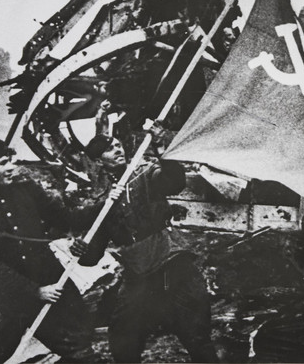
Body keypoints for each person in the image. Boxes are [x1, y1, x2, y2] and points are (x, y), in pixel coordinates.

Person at [0, 137, 103, 363]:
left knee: (80, 350)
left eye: (11, 161)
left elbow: (67, 218)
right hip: (6, 297)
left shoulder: (27, 190)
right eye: (2, 163)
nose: (11, 168)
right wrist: (34, 291)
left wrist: (105, 203)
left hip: (52, 284)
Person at [81, 134, 218, 363]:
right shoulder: (102, 200)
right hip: (138, 276)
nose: (117, 149)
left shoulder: (145, 173)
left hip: (172, 264)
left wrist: (162, 148)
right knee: (123, 335)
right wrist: (78, 249)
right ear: (97, 161)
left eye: (118, 144)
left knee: (195, 334)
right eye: (108, 149)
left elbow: (174, 182)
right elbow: (92, 255)